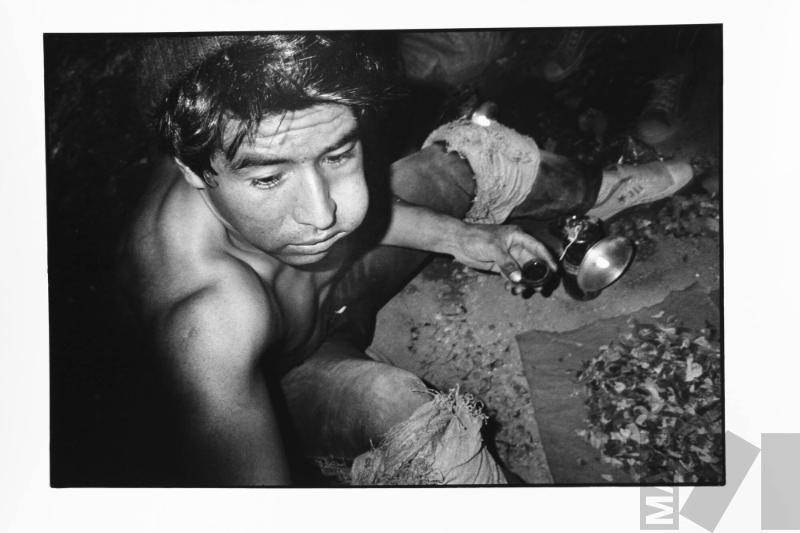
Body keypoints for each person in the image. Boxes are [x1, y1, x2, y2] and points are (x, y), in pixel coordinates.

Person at [119, 33, 692, 485]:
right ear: (193, 171)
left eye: (337, 155)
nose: (323, 213)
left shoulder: (301, 133)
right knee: (420, 428)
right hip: (290, 372)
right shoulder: (208, 320)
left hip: (339, 286)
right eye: (269, 179)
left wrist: (467, 239)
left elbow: (358, 208)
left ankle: (602, 187)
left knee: (467, 159)